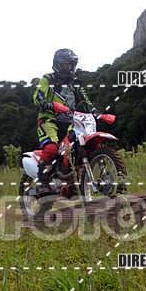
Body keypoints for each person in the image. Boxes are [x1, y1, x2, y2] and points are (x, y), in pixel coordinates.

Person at [32, 48, 95, 196]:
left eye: (71, 65)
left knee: (78, 146)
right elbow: (38, 97)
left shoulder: (75, 83)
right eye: (66, 65)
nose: (69, 68)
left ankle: (72, 182)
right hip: (49, 120)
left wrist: (97, 113)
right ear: (58, 64)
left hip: (70, 122)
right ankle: (42, 183)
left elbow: (86, 101)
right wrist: (51, 105)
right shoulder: (47, 79)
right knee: (51, 149)